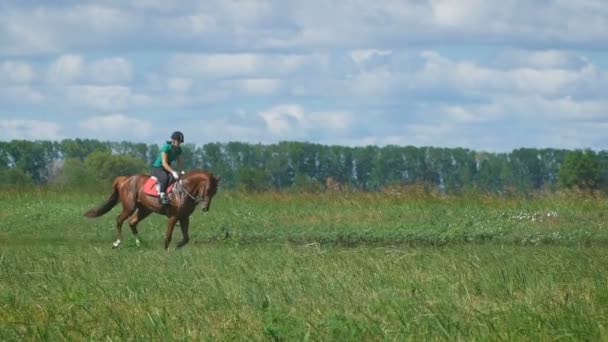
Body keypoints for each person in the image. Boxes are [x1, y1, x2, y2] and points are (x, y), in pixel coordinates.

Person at [151, 131, 184, 205]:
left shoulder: (179, 150)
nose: (179, 144)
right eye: (178, 142)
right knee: (165, 177)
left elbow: (180, 162)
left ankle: (170, 194)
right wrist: (173, 172)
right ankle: (162, 195)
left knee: (174, 178)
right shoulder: (166, 147)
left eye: (180, 142)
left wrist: (181, 171)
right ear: (173, 140)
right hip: (158, 167)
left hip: (166, 168)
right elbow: (164, 163)